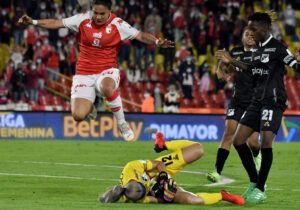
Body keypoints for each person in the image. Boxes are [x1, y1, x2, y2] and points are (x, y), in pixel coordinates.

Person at [17, 0, 173, 141]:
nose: (98, 17)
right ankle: (91, 106)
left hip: (107, 71)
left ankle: (121, 123)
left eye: (102, 14)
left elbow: (140, 35)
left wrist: (157, 41)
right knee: (78, 116)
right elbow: (56, 23)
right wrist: (33, 21)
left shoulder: (118, 24)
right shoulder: (82, 19)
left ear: (109, 12)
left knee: (106, 87)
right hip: (84, 73)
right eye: (95, 13)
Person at [216, 12, 300, 204]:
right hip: (257, 101)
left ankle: (261, 189)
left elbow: (296, 66)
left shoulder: (278, 48)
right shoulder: (259, 49)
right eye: (249, 28)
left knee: (266, 143)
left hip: (273, 101)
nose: (250, 31)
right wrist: (231, 61)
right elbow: (248, 67)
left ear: (265, 29)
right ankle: (254, 182)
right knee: (238, 141)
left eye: (253, 28)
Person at [100, 132, 245, 205]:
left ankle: (164, 144)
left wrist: (163, 175)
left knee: (197, 149)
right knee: (193, 201)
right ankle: (223, 195)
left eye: (143, 185)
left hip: (156, 171)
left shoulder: (131, 168)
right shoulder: (135, 198)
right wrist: (165, 197)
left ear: (136, 181)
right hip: (157, 188)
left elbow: (157, 165)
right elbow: (154, 200)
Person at [207, 28, 261, 183]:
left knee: (252, 142)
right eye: (247, 35)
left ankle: (257, 154)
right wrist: (221, 71)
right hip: (237, 101)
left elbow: (246, 67)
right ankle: (217, 171)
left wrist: (230, 62)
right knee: (228, 134)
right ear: (242, 37)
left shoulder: (260, 54)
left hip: (254, 102)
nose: (250, 37)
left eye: (253, 35)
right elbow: (224, 68)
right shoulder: (235, 51)